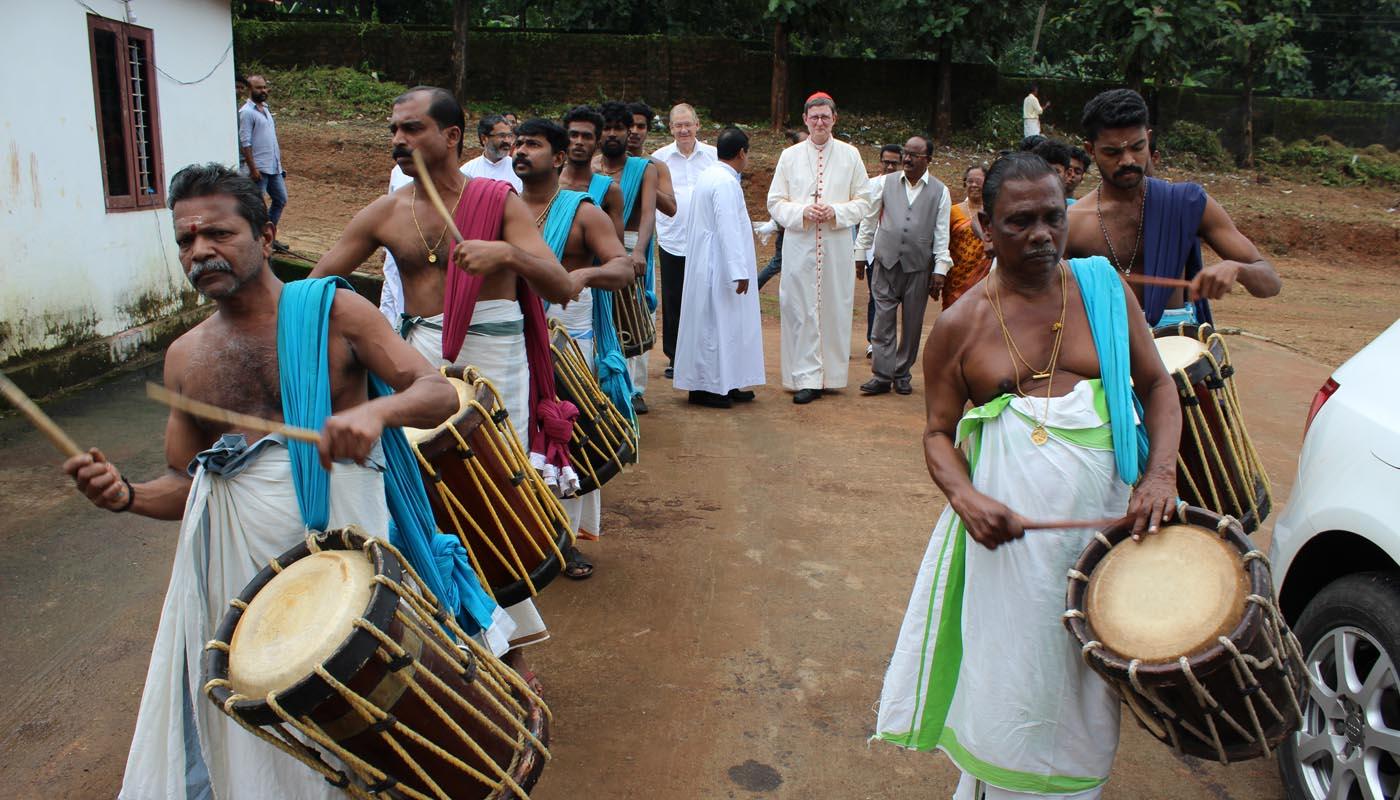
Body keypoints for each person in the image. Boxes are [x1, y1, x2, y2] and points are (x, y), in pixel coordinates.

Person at [65, 163, 478, 799]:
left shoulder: (336, 311)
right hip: (244, 594)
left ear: (267, 234)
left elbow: (433, 393)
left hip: (345, 576)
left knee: (366, 716)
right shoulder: (186, 357)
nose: (200, 251)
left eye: (219, 234)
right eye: (185, 241)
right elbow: (189, 482)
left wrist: (375, 410)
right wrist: (126, 495)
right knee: (262, 725)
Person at [874, 152, 1181, 800]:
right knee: (1013, 683)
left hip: (1103, 542)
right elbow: (936, 432)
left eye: (1052, 216)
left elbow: (1157, 384)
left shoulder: (1101, 288)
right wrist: (965, 496)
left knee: (1085, 688)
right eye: (1021, 221)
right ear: (985, 226)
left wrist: (1158, 477)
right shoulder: (960, 329)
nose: (1042, 233)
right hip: (1008, 551)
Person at [311, 86, 575, 657]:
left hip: (495, 371)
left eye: (412, 129)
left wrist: (506, 255)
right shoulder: (384, 214)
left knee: (488, 499)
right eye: (393, 130)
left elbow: (560, 285)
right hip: (420, 366)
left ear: (451, 137)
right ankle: (454, 635)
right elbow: (314, 289)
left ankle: (513, 645)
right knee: (426, 499)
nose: (398, 140)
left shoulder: (499, 202)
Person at [513, 117, 635, 576]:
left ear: (559, 157)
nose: (521, 151)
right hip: (514, 343)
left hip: (570, 347)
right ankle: (526, 537)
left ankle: (565, 542)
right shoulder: (501, 208)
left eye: (533, 144)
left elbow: (623, 268)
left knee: (564, 440)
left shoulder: (583, 212)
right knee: (520, 441)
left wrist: (581, 276)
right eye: (518, 144)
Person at [1066, 89, 1281, 328]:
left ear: (1148, 139)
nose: (1127, 160)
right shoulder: (1073, 222)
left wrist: (1237, 268)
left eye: (1137, 147)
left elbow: (1270, 282)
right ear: (1090, 150)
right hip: (1103, 352)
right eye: (1112, 152)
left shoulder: (1184, 203)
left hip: (1176, 350)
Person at [765, 92, 871, 404]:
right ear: (805, 120)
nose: (820, 122)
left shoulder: (851, 155)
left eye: (826, 117)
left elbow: (865, 201)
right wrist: (801, 212)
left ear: (834, 119)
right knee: (800, 308)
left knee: (834, 309)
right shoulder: (790, 156)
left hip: (836, 247)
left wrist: (836, 212)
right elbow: (775, 201)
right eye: (815, 117)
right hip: (800, 246)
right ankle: (805, 378)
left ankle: (830, 376)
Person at [674, 127, 765, 408]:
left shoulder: (711, 176)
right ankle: (708, 387)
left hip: (710, 260)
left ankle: (728, 380)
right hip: (719, 265)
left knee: (725, 325)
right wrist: (739, 270)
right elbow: (728, 228)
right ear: (741, 153)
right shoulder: (724, 182)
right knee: (715, 325)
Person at [855, 135, 951, 396]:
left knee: (912, 323)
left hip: (918, 267)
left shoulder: (940, 191)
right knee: (883, 319)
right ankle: (882, 375)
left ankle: (902, 372)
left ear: (928, 159)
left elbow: (942, 234)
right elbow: (869, 220)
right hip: (885, 262)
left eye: (914, 155)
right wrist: (861, 254)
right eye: (905, 153)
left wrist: (940, 270)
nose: (906, 159)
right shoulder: (884, 184)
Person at [597, 101, 662, 415]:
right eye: (606, 128)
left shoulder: (645, 168)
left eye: (618, 129)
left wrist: (638, 251)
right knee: (599, 317)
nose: (612, 134)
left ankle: (634, 389)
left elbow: (649, 213)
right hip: (595, 247)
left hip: (633, 245)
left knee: (634, 318)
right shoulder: (592, 166)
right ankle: (601, 382)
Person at [652, 103, 718, 379]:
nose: (683, 130)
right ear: (670, 128)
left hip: (706, 241)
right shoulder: (658, 159)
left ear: (697, 125)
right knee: (674, 299)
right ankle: (676, 357)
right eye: (677, 125)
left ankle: (706, 355)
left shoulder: (713, 157)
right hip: (672, 239)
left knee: (706, 298)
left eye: (687, 124)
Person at [858, 143, 906, 358]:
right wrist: (860, 251)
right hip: (874, 251)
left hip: (903, 253)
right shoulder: (870, 185)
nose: (889, 167)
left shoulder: (908, 186)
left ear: (901, 163)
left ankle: (895, 342)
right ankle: (873, 341)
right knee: (876, 297)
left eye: (893, 163)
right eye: (885, 162)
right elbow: (864, 221)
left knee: (900, 299)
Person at [561, 105, 625, 240]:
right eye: (573, 135)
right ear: (564, 140)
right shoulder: (549, 184)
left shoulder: (610, 191)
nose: (579, 142)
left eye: (586, 136)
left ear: (597, 144)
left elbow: (617, 250)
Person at [237, 74, 287, 246]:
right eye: (259, 88)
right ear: (250, 90)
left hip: (273, 167)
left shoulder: (265, 109)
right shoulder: (246, 113)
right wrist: (253, 168)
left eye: (265, 87)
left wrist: (279, 165)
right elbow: (245, 142)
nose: (263, 91)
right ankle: (259, 239)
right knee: (258, 206)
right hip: (259, 168)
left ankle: (269, 237)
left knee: (280, 199)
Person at [944, 165, 993, 309]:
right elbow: (943, 242)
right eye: (970, 181)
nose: (974, 185)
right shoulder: (953, 211)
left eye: (978, 181)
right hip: (955, 278)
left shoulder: (993, 212)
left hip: (984, 278)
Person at [462, 114, 523, 191]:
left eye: (509, 136)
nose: (507, 141)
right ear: (484, 138)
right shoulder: (468, 172)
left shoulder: (519, 169)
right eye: (502, 136)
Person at [1031, 138, 1076, 204]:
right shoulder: (1024, 207)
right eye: (1044, 170)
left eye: (1056, 172)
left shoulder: (1075, 208)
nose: (1049, 178)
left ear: (1067, 174)